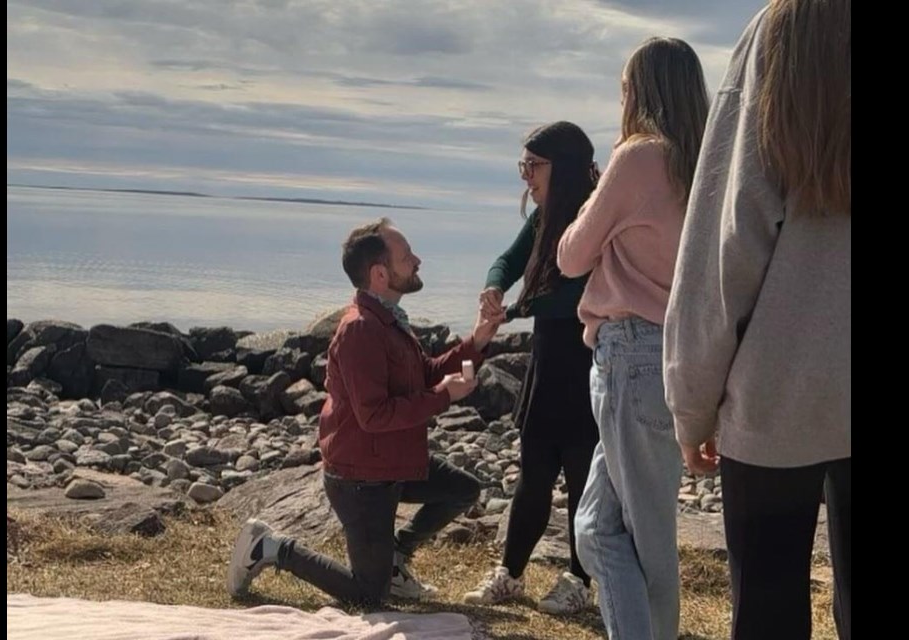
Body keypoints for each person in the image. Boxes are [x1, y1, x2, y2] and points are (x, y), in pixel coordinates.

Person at [664, 2, 851, 638]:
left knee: (768, 611)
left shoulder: (789, 31)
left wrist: (691, 401)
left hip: (782, 390)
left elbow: (726, 244)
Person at [227, 218, 502, 606]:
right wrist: (444, 396)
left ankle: (394, 558)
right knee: (367, 596)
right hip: (362, 478)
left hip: (392, 463)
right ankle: (270, 547)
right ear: (379, 274)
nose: (417, 260)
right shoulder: (361, 330)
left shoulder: (389, 320)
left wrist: (476, 341)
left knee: (462, 489)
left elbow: (423, 374)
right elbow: (374, 416)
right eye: (407, 258)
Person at [557, 37, 709, 640]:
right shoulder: (703, 163)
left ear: (640, 92)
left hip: (629, 355)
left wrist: (599, 194)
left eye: (624, 88)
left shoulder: (641, 155)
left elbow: (571, 256)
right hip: (674, 357)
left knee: (647, 544)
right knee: (596, 529)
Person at [463, 121, 601, 615]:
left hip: (587, 360)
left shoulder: (594, 212)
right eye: (523, 165)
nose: (525, 175)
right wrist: (494, 288)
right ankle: (511, 572)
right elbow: (509, 259)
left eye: (532, 165)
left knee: (584, 478)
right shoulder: (545, 213)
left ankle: (580, 580)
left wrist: (520, 310)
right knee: (534, 472)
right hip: (547, 361)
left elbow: (577, 294)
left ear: (560, 166)